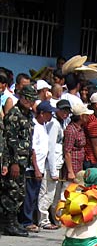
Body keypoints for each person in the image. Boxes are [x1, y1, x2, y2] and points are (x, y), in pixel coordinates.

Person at [1, 84, 36, 236]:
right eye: (28, 99)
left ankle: (14, 222)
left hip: (23, 160)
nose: (31, 103)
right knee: (11, 191)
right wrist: (13, 162)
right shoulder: (14, 115)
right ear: (21, 97)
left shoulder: (27, 114)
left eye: (32, 100)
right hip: (14, 160)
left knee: (19, 192)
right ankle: (8, 224)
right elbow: (10, 141)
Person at [20, 99, 53, 232]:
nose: (51, 116)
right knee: (29, 195)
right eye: (49, 113)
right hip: (33, 168)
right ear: (42, 113)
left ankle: (31, 220)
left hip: (40, 165)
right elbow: (32, 150)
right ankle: (26, 221)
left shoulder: (43, 125)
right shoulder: (34, 126)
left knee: (34, 195)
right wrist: (37, 169)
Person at [38, 98, 71, 229]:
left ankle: (49, 218)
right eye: (63, 110)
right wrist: (52, 170)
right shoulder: (54, 125)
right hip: (51, 164)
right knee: (47, 193)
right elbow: (51, 148)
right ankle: (43, 219)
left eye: (67, 111)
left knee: (52, 194)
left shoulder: (61, 123)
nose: (65, 113)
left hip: (58, 163)